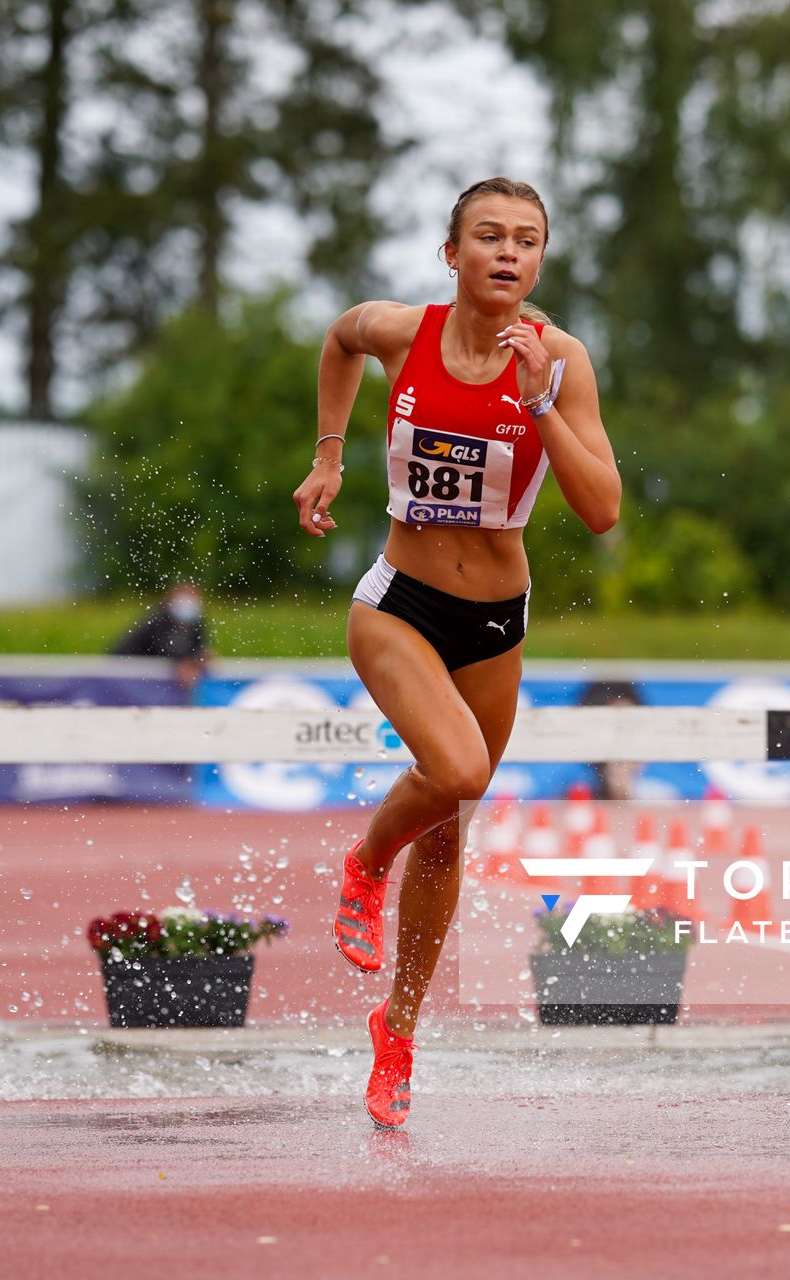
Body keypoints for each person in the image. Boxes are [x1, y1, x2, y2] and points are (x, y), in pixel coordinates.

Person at [293, 176, 620, 1129]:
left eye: (528, 240)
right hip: (399, 602)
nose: (509, 253)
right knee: (461, 770)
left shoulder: (561, 361)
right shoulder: (403, 332)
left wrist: (540, 404)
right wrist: (328, 452)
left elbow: (601, 512)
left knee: (451, 822)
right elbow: (338, 338)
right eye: (489, 236)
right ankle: (363, 864)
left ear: (541, 262)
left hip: (495, 621)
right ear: (454, 255)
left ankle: (396, 1031)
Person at [109, 582, 211, 692]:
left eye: (192, 597)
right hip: (126, 672)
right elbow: (164, 648)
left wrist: (201, 656)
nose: (188, 602)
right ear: (170, 599)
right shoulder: (157, 620)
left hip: (152, 680)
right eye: (184, 597)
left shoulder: (196, 623)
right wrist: (181, 663)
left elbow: (198, 648)